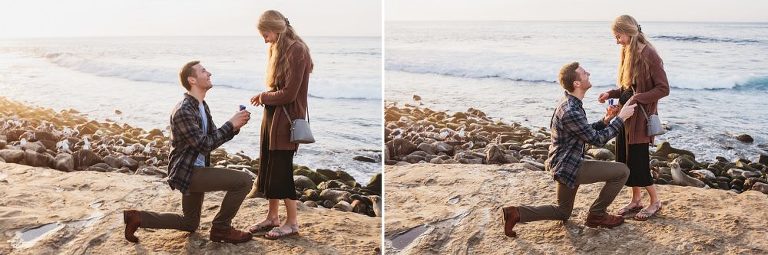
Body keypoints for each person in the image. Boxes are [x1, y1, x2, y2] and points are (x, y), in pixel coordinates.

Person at [123, 61, 254, 244]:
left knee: (190, 223)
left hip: (195, 170)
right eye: (203, 71)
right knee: (244, 181)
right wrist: (230, 124)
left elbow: (213, 138)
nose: (209, 73)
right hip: (188, 172)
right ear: (192, 79)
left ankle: (137, 218)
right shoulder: (184, 110)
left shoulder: (201, 106)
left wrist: (235, 127)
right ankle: (222, 228)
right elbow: (204, 144)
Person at [501, 62, 637, 237]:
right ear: (577, 84)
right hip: (569, 166)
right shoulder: (571, 109)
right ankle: (597, 214)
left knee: (563, 212)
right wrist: (621, 118)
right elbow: (597, 140)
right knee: (622, 171)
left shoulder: (569, 102)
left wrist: (605, 120)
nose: (588, 73)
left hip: (564, 163)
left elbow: (583, 131)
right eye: (584, 73)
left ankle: (515, 213)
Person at [247, 10, 313, 240]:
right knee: (269, 168)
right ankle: (272, 217)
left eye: (265, 34)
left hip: (286, 120)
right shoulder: (276, 48)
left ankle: (292, 222)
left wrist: (264, 97)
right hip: (272, 118)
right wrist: (266, 99)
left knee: (282, 171)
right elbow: (278, 89)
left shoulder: (297, 50)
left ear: (275, 28)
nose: (264, 39)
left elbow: (289, 94)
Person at [598, 15, 670, 221]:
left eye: (618, 36)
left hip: (640, 118)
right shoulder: (626, 51)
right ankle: (636, 199)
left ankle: (655, 201)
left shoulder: (650, 54)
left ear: (628, 32)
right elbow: (627, 87)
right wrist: (611, 94)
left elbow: (663, 89)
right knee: (624, 159)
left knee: (638, 161)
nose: (616, 41)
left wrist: (638, 98)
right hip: (625, 115)